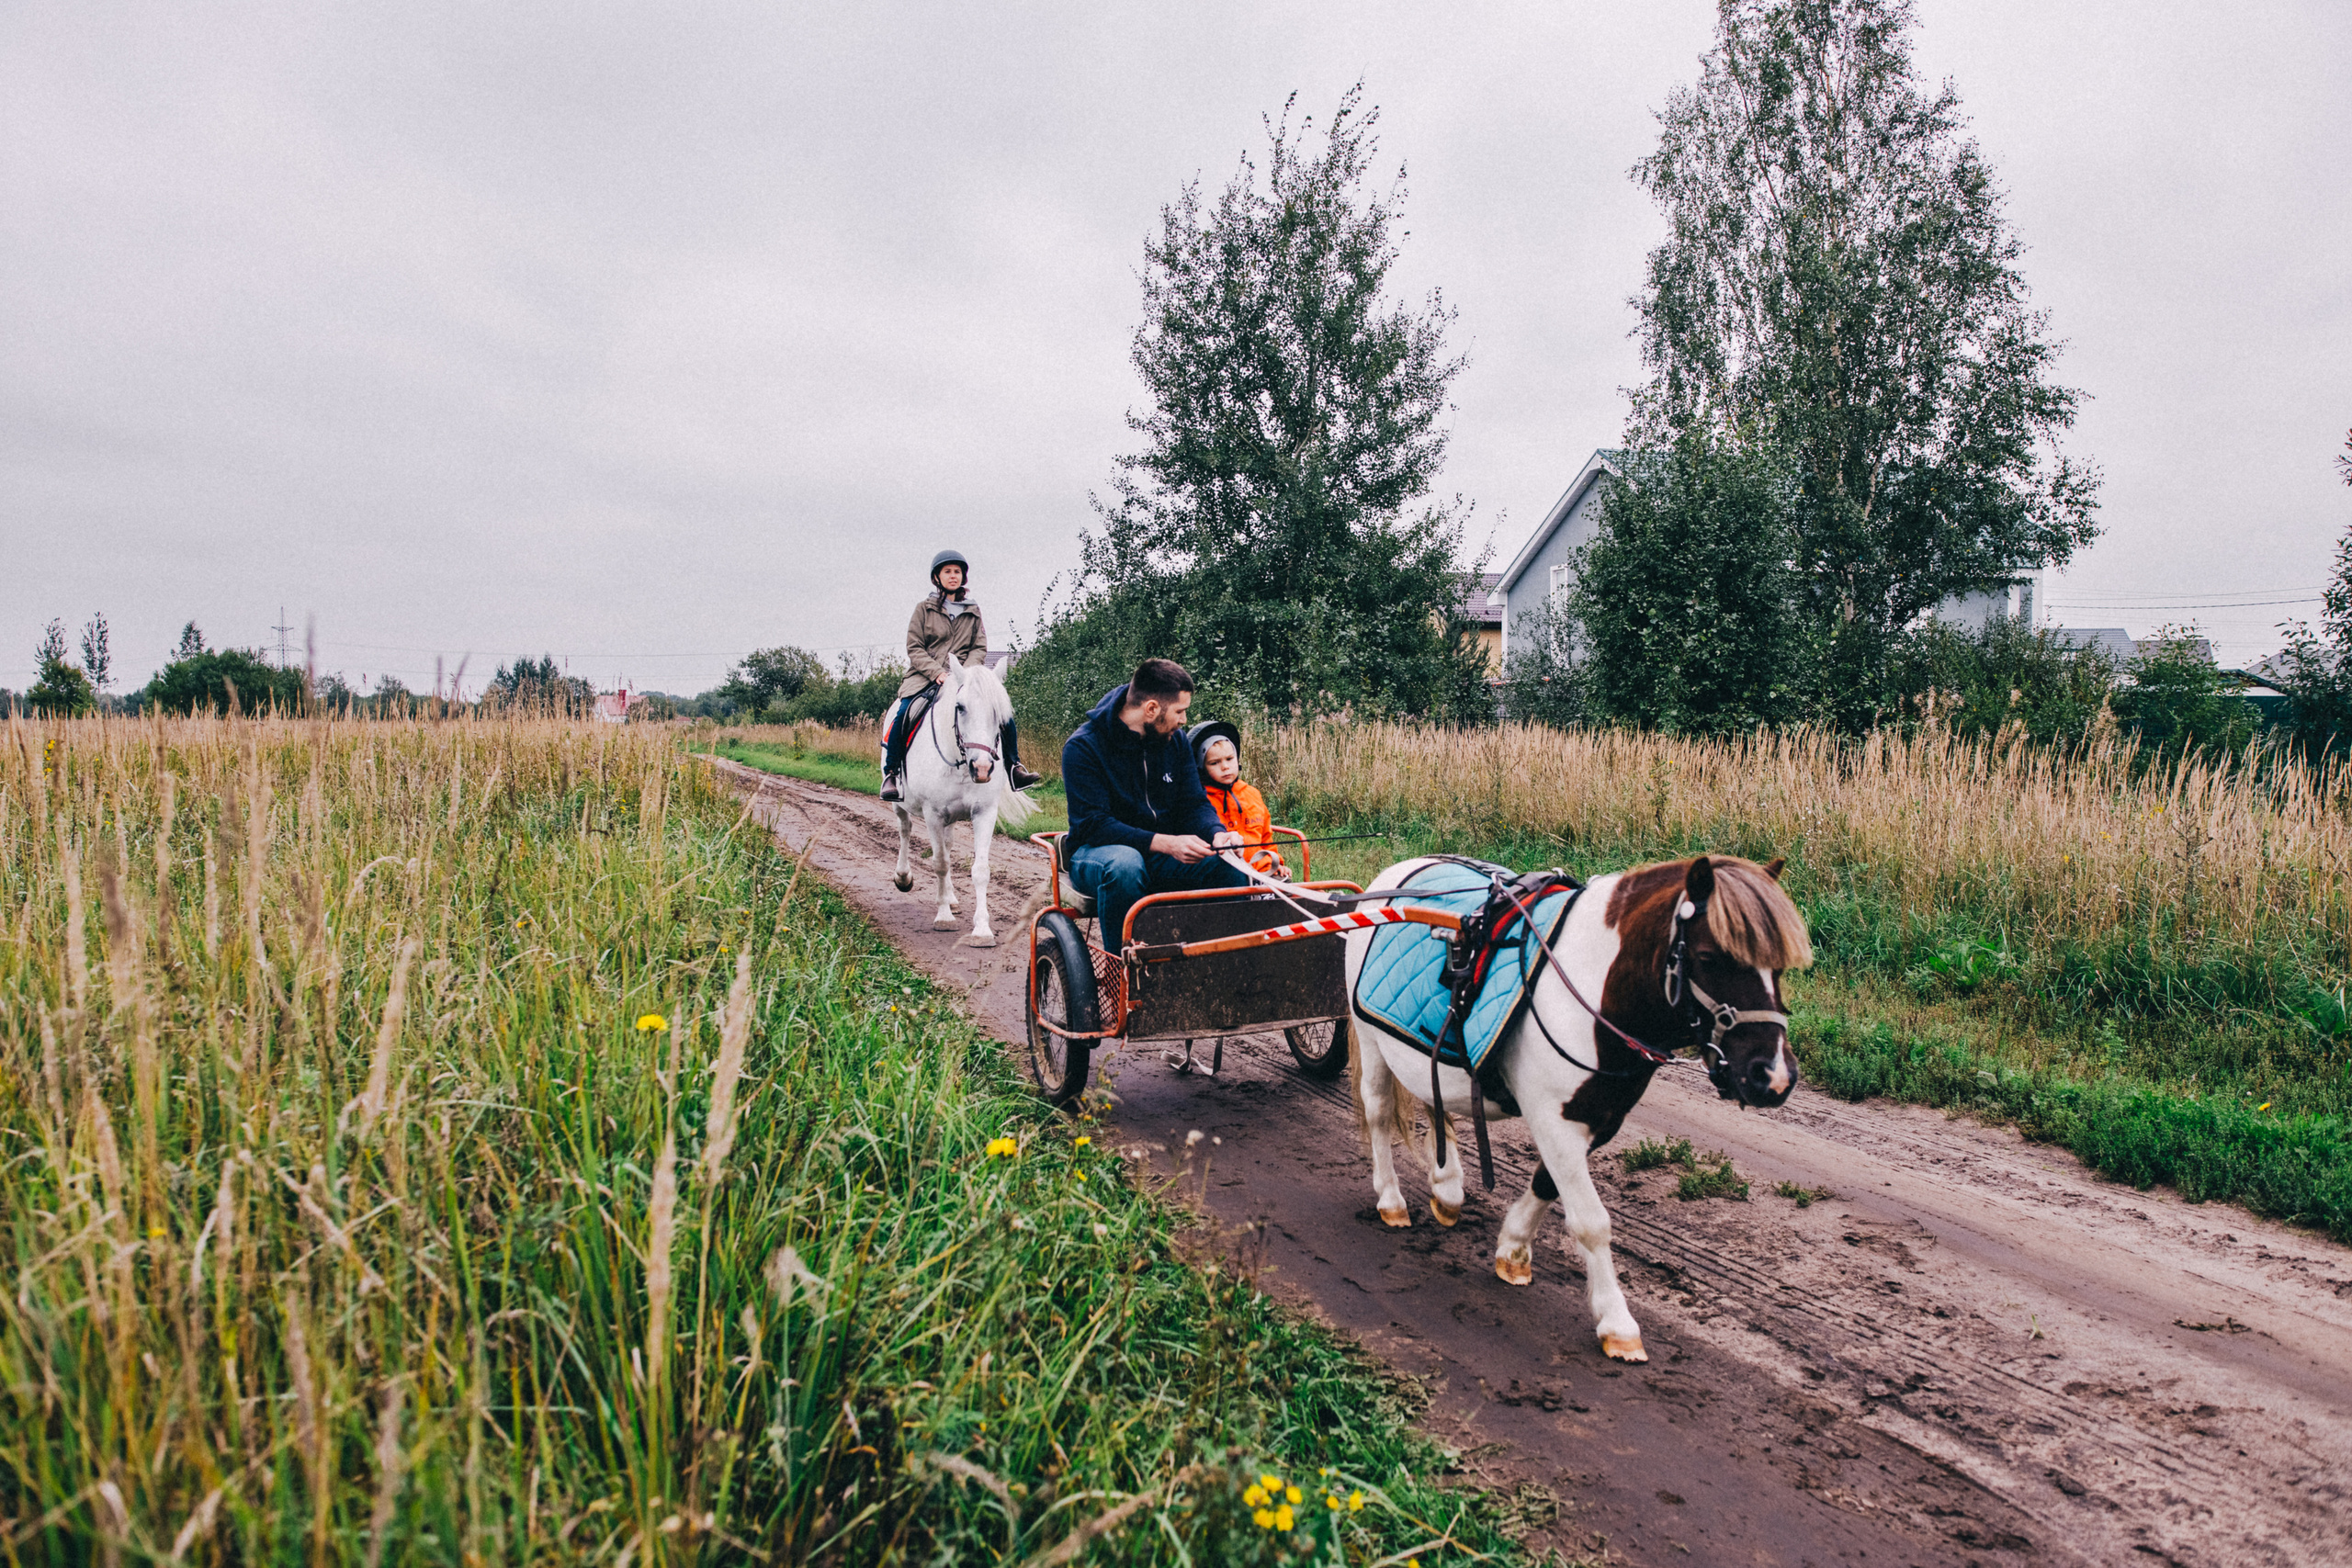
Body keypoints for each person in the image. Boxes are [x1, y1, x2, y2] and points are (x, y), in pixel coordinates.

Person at [1061, 658, 1251, 946]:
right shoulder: (1083, 746)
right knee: (1126, 865)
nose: (1184, 720)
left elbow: (1194, 804)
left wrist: (1217, 834)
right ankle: (1123, 966)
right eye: (1179, 711)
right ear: (1151, 709)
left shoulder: (1176, 741)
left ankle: (1217, 961)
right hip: (1097, 853)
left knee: (1228, 863)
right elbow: (1094, 825)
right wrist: (1167, 843)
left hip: (1161, 854)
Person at [881, 549, 1042, 801]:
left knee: (1003, 713)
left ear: (963, 577)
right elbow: (914, 647)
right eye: (947, 571)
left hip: (965, 677)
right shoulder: (923, 609)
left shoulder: (973, 610)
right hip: (925, 677)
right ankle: (892, 773)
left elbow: (979, 647)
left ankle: (1014, 767)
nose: (953, 576)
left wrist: (965, 674)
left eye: (957, 572)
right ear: (937, 577)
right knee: (904, 714)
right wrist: (936, 672)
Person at [1190, 721, 1288, 879]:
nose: (1225, 767)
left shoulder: (1252, 794)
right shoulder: (1201, 802)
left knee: (1300, 890)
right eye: (1214, 763)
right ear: (1201, 768)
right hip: (1229, 875)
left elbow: (1266, 837)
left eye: (1229, 759)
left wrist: (1276, 864)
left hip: (1263, 872)